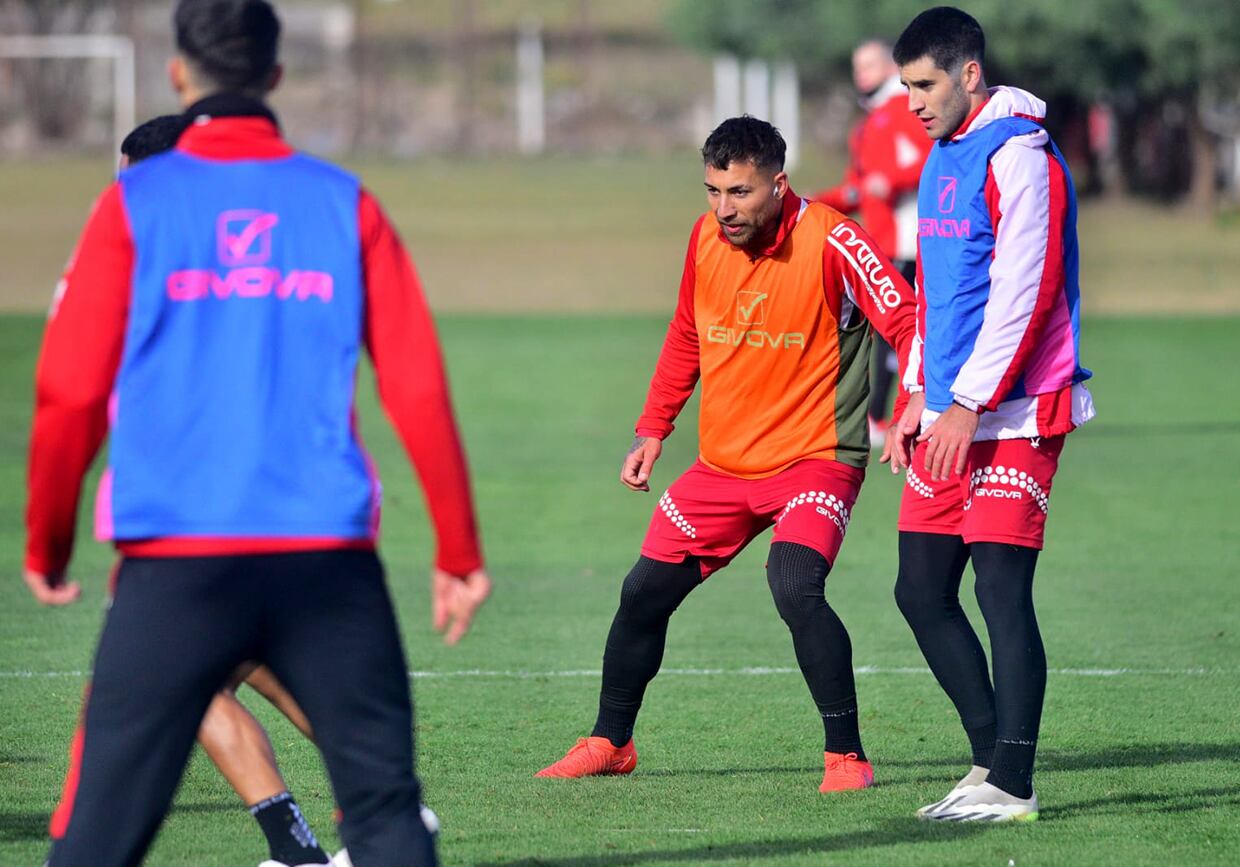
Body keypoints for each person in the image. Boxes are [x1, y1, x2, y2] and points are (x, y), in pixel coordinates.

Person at [23, 1, 492, 864]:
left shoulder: (132, 204)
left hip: (174, 569)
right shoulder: (343, 201)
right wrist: (458, 550)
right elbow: (418, 387)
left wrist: (46, 544)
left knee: (95, 837)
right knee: (387, 817)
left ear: (177, 74)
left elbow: (67, 392)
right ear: (276, 77)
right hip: (326, 565)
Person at [535, 116, 917, 792]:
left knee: (794, 584)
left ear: (779, 182)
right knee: (641, 594)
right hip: (723, 466)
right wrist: (653, 428)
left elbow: (906, 316)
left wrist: (918, 393)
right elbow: (687, 332)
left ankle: (847, 757)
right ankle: (610, 740)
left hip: (816, 456)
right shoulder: (704, 238)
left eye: (739, 192)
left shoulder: (834, 238)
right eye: (713, 190)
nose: (723, 208)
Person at [43, 112, 335, 867]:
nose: (119, 189)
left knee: (165, 682)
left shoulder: (129, 259)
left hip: (183, 519)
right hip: (284, 510)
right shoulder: (265, 253)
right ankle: (374, 808)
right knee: (237, 667)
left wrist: (50, 539)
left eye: (129, 175)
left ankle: (313, 843)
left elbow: (72, 395)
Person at [882, 6, 1095, 822]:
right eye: (906, 86)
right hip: (948, 412)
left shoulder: (1021, 156)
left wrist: (968, 404)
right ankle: (987, 762)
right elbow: (939, 296)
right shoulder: (941, 156)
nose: (914, 101)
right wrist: (915, 399)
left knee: (1002, 588)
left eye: (925, 83)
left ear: (969, 73)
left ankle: (1015, 780)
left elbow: (1024, 293)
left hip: (1020, 411)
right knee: (921, 587)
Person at [811, 39, 930, 448]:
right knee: (880, 331)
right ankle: (882, 415)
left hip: (906, 241)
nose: (862, 73)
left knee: (894, 331)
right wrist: (811, 202)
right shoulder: (871, 121)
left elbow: (933, 158)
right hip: (878, 242)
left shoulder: (904, 108)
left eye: (871, 64)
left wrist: (891, 183)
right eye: (857, 65)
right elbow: (858, 188)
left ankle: (884, 417)